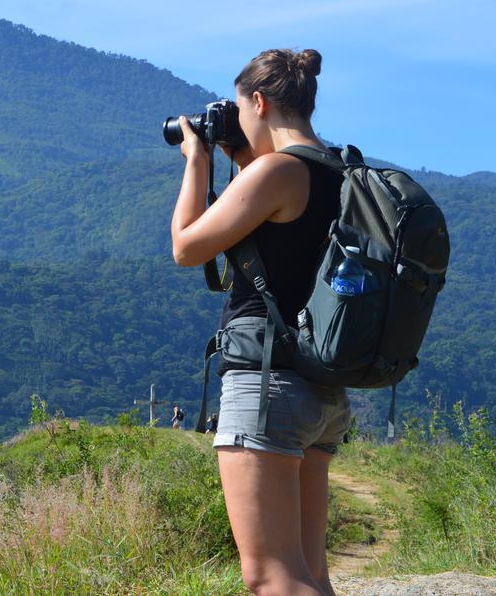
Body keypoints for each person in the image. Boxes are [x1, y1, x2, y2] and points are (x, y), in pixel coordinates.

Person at [170, 48, 350, 596]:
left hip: (267, 385)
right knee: (308, 573)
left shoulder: (275, 172)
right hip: (322, 390)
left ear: (259, 100)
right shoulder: (341, 170)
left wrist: (198, 160)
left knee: (271, 576)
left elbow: (186, 246)